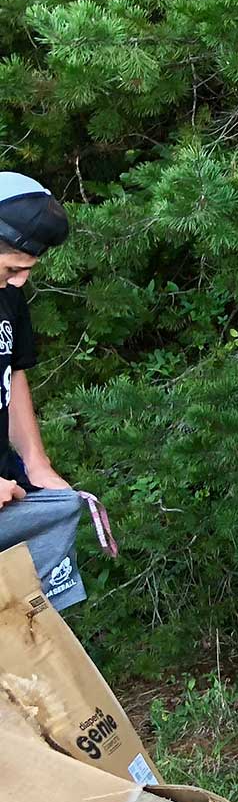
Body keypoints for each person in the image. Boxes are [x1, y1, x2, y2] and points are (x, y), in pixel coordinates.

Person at [0, 173, 91, 610]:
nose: (18, 283)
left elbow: (13, 375)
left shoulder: (7, 298)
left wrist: (37, 464)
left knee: (27, 624)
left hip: (6, 491)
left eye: (26, 271)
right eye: (12, 268)